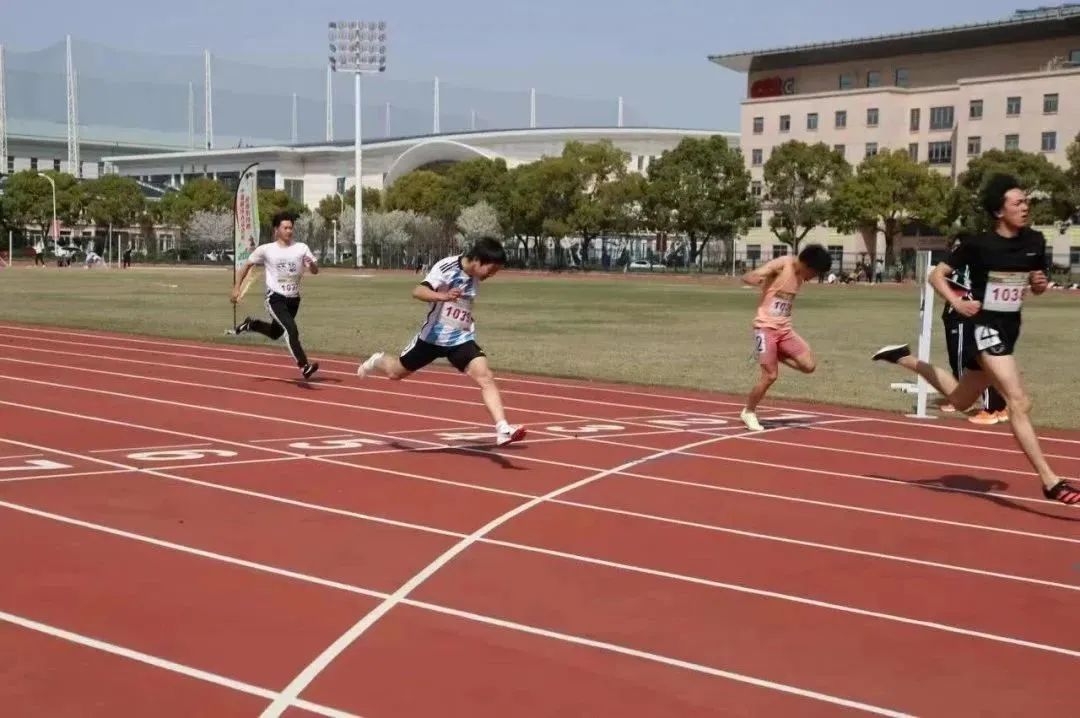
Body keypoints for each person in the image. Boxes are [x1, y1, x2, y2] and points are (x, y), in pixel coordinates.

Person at [872, 173, 1079, 505]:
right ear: (1000, 211)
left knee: (960, 400)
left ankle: (903, 358)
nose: (1025, 207)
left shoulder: (1035, 242)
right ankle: (1051, 481)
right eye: (1018, 202)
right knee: (1019, 401)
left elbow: (1037, 287)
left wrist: (1039, 283)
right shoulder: (978, 244)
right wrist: (956, 302)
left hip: (1009, 329)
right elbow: (936, 275)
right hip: (983, 327)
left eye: (1026, 201)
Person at [356, 236, 526, 447]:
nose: (491, 276)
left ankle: (502, 429)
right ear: (478, 261)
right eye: (490, 270)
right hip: (432, 338)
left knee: (486, 377)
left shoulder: (474, 276)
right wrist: (443, 297)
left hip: (460, 339)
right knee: (395, 373)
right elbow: (418, 291)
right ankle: (376, 360)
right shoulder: (446, 267)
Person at [739, 244, 833, 432]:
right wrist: (753, 278)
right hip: (764, 328)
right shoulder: (784, 264)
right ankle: (748, 411)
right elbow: (755, 274)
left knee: (808, 366)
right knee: (770, 376)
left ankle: (774, 355)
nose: (813, 278)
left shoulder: (801, 275)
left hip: (784, 330)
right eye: (814, 273)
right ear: (807, 265)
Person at [232, 210, 320, 380]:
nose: (289, 231)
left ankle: (251, 325)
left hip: (294, 299)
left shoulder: (301, 248)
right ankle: (304, 366)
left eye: (291, 228)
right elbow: (246, 266)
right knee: (291, 330)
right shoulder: (266, 250)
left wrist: (312, 266)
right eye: (285, 228)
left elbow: (315, 271)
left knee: (275, 333)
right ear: (276, 230)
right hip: (275, 298)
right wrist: (237, 288)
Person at [940, 233, 1009, 424]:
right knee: (975, 362)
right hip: (961, 314)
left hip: (965, 316)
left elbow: (964, 288)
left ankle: (981, 405)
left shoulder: (968, 266)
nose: (956, 250)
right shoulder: (959, 265)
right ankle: (999, 406)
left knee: (969, 362)